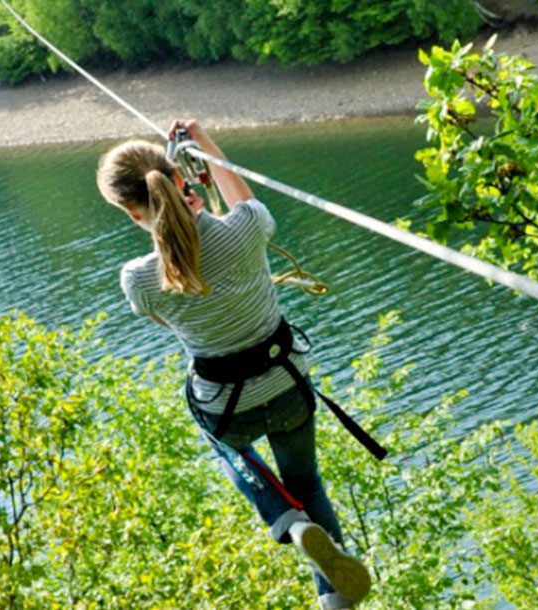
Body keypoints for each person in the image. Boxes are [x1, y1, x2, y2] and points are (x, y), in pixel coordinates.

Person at [98, 120, 373, 610]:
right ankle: (335, 602)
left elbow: (173, 321)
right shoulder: (246, 230)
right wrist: (201, 142)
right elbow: (243, 201)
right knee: (307, 482)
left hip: (227, 405)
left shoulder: (138, 280)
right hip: (286, 384)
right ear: (179, 179)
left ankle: (286, 520)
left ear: (130, 213)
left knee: (216, 436)